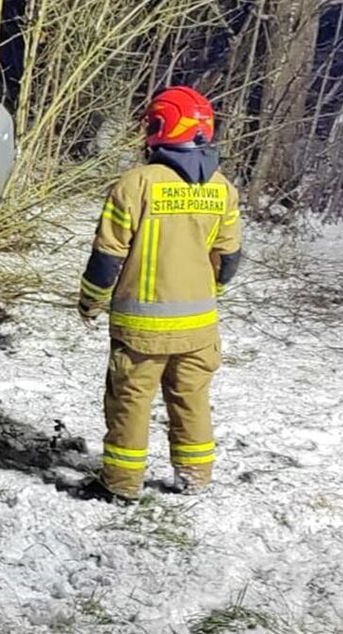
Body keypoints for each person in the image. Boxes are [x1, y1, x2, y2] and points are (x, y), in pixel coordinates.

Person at [73, 85, 242, 504]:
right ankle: (195, 476)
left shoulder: (136, 185)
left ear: (161, 126)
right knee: (191, 401)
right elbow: (231, 257)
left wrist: (90, 300)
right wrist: (210, 289)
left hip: (142, 330)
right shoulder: (223, 188)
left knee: (130, 402)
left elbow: (107, 258)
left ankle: (121, 484)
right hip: (200, 328)